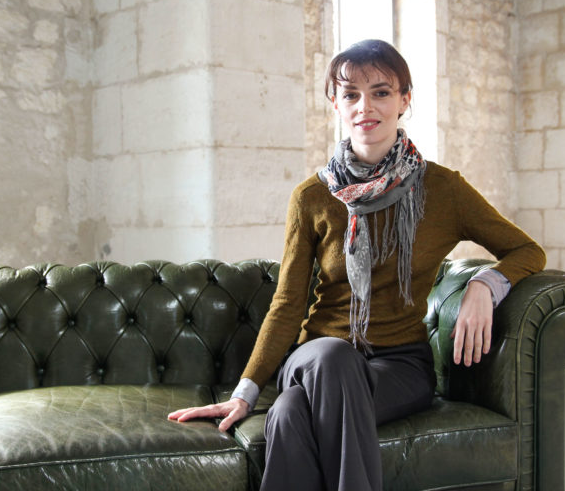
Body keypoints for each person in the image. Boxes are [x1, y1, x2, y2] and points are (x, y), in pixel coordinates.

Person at [167, 39, 545, 491]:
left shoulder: (445, 190)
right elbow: (287, 303)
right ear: (337, 104)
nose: (365, 106)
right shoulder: (312, 197)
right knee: (333, 356)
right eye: (350, 94)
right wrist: (245, 393)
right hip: (316, 357)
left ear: (405, 100)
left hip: (400, 367)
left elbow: (526, 250)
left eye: (381, 92)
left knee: (289, 413)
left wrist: (484, 284)